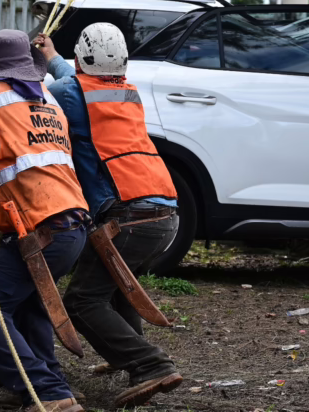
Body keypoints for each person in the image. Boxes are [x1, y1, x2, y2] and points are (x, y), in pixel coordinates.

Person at [36, 24, 184, 409]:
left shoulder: (70, 94)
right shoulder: (126, 92)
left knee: (83, 301)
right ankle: (127, 353)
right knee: (114, 286)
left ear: (82, 58)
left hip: (129, 215)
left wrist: (27, 64)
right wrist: (51, 56)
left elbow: (38, 98)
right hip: (164, 212)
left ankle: (149, 364)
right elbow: (76, 80)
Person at [0, 29, 90, 412]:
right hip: (72, 225)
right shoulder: (47, 98)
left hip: (40, 227)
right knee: (29, 306)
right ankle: (58, 388)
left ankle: (46, 391)